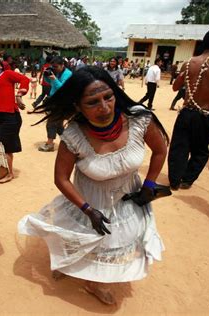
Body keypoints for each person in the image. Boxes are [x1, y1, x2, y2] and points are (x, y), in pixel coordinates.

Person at [19, 66, 170, 305]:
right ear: (78, 106)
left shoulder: (139, 119)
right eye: (92, 102)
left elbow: (160, 150)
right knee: (80, 235)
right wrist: (87, 209)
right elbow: (61, 179)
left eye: (108, 97)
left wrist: (150, 184)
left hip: (128, 197)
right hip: (89, 199)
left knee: (115, 241)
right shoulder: (74, 136)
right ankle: (68, 264)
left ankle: (94, 282)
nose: (105, 107)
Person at [168, 28, 209, 190]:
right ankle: (187, 179)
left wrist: (186, 74)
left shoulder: (189, 63)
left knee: (179, 147)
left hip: (186, 112)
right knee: (201, 151)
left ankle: (174, 180)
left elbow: (175, 87)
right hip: (205, 114)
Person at [0, 55, 30, 183]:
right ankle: (8, 172)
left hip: (11, 116)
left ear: (1, 65)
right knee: (3, 145)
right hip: (3, 118)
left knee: (5, 147)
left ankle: (9, 174)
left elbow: (24, 79)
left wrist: (19, 95)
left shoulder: (7, 74)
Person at [38, 56, 72, 152]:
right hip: (54, 99)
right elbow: (50, 83)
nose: (54, 68)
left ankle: (50, 144)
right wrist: (46, 76)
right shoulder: (57, 71)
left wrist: (54, 79)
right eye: (53, 66)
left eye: (56, 66)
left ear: (62, 65)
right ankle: (70, 142)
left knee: (51, 122)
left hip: (61, 101)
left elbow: (62, 88)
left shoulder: (68, 74)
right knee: (59, 125)